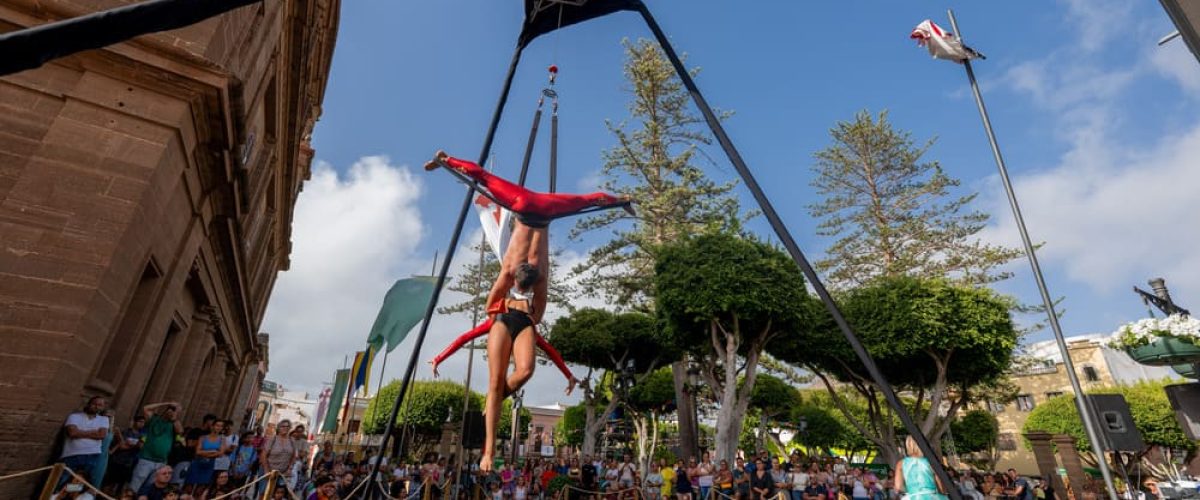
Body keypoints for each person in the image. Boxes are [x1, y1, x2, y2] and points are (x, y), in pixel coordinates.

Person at [130, 403, 183, 492]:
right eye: (171, 409)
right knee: (135, 486)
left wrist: (175, 417)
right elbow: (146, 408)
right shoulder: (154, 419)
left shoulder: (173, 424)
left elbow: (180, 431)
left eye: (175, 411)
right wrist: (167, 403)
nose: (172, 412)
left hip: (161, 462)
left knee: (150, 489)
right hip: (146, 459)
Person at [60, 396, 110, 487]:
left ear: (102, 408)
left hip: (92, 455)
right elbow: (72, 433)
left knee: (77, 485)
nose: (96, 407)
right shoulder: (74, 416)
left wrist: (81, 432)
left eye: (100, 405)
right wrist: (92, 432)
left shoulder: (104, 419)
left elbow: (101, 435)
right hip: (72, 454)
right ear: (88, 404)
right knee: (63, 480)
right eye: (94, 404)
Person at [184, 418, 226, 494]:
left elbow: (221, 453)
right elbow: (197, 451)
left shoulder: (222, 439)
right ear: (213, 426)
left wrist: (205, 452)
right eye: (217, 425)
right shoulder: (203, 437)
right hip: (198, 463)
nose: (219, 428)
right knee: (189, 487)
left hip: (209, 465)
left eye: (221, 426)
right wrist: (212, 451)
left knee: (200, 489)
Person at [108, 414, 146, 492]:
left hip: (128, 463)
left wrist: (129, 445)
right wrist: (134, 445)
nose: (141, 424)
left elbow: (140, 447)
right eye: (140, 421)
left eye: (143, 422)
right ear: (135, 422)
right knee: (109, 481)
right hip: (117, 460)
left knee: (120, 486)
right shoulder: (126, 432)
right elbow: (121, 446)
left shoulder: (142, 436)